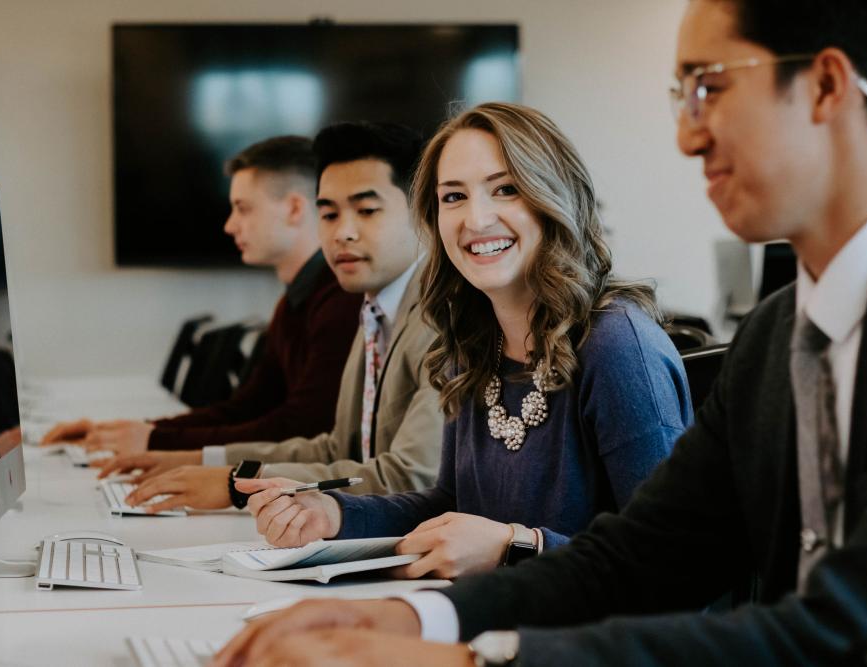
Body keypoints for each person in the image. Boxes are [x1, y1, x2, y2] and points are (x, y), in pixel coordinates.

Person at [210, 0, 867, 665]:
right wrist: (412, 617)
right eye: (453, 196)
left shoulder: (624, 342)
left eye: (709, 87)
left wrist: (474, 653)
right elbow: (644, 556)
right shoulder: (774, 337)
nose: (686, 134)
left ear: (824, 86)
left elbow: (856, 624)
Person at [237, 102, 691, 581]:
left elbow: (674, 564)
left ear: (556, 197)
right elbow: (450, 506)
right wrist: (334, 513)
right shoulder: (472, 344)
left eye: (506, 189)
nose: (475, 220)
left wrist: (515, 547)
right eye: (453, 197)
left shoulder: (618, 347)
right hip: (490, 622)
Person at [98, 122, 444, 512]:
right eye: (328, 215)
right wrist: (197, 460)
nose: (342, 233)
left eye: (366, 210)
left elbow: (409, 477)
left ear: (422, 212)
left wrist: (237, 484)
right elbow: (335, 447)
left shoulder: (443, 321)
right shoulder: (374, 309)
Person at [40, 136, 362, 455]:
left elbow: (302, 427)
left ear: (294, 209)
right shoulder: (295, 302)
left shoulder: (342, 300)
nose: (230, 226)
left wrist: (155, 442)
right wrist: (135, 432)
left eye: (242, 209)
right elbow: (245, 408)